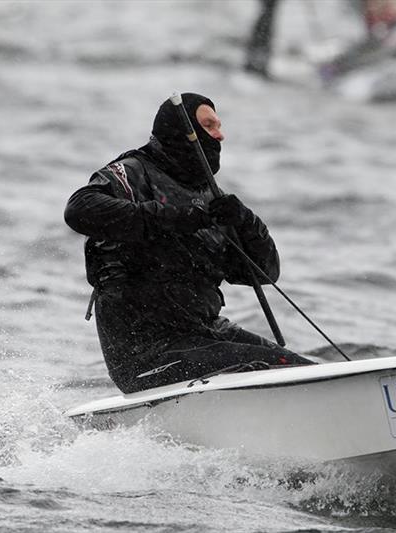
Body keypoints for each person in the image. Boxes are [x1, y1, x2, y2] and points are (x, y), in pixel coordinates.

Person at [64, 93, 314, 393]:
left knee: (300, 369)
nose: (220, 135)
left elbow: (264, 273)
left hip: (204, 333)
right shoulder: (131, 172)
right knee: (263, 365)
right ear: (183, 133)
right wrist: (174, 218)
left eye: (218, 126)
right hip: (145, 351)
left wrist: (245, 222)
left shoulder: (210, 196)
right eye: (209, 126)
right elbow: (79, 209)